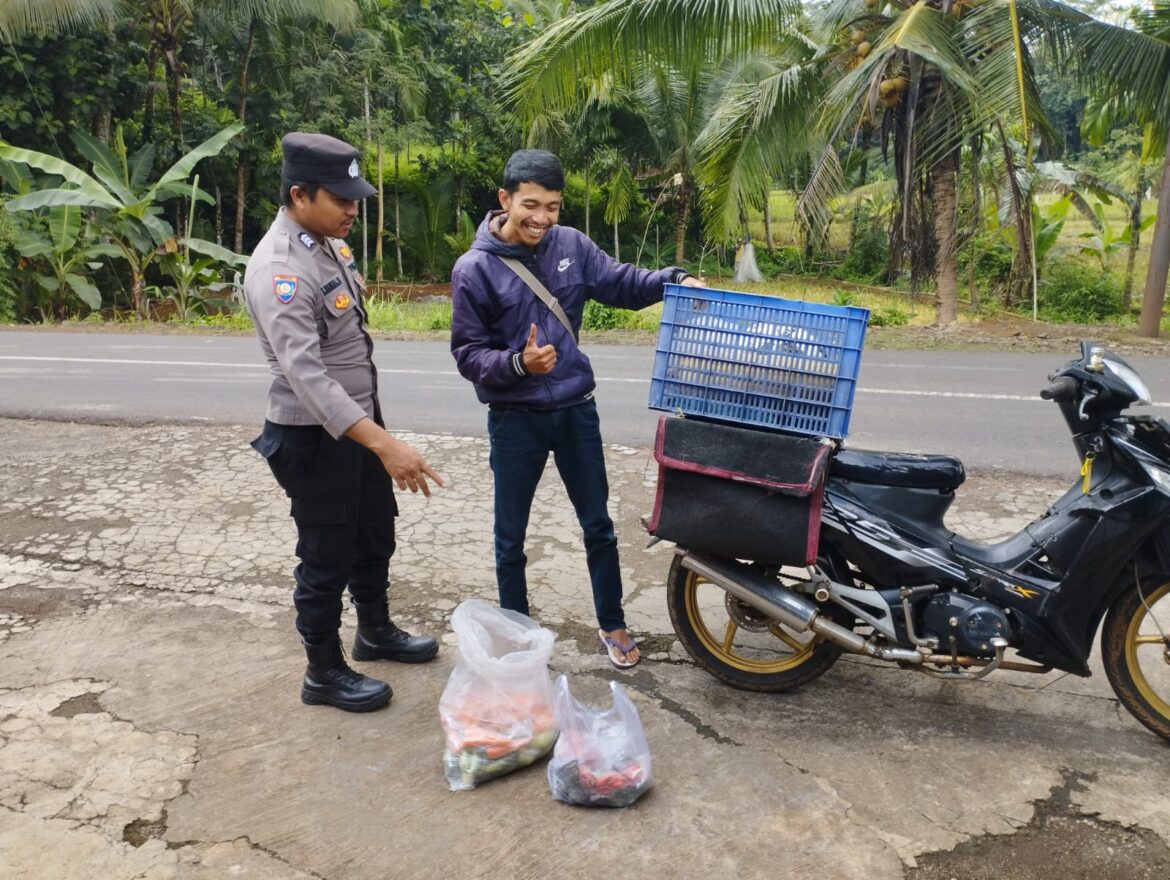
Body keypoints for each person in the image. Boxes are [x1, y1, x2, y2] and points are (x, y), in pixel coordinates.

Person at [449, 148, 702, 669]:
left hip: (575, 411)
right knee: (510, 537)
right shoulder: (474, 270)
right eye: (531, 205)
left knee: (598, 525)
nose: (542, 218)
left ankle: (612, 621)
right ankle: (518, 631)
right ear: (505, 200)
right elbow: (468, 354)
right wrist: (518, 364)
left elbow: (622, 283)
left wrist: (673, 281)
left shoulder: (571, 245)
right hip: (515, 419)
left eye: (553, 206)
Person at [244, 132, 444, 713]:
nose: (354, 209)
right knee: (325, 554)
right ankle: (324, 672)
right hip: (313, 438)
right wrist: (386, 445)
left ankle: (374, 631)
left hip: (356, 427)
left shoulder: (326, 244)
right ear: (299, 194)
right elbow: (308, 377)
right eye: (341, 198)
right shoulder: (280, 269)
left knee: (373, 532)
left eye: (356, 197)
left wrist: (374, 437)